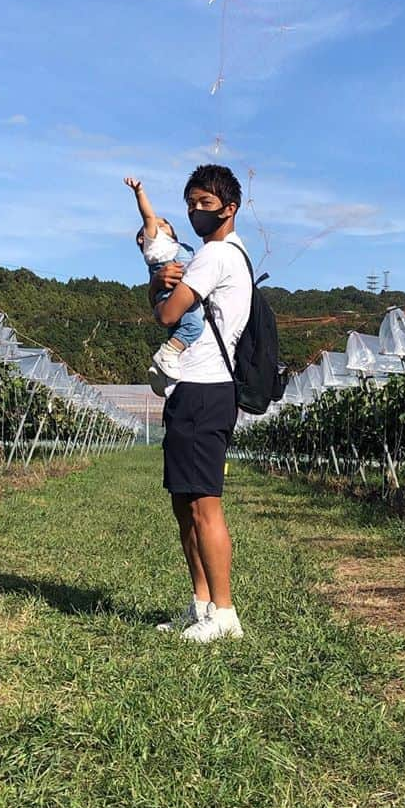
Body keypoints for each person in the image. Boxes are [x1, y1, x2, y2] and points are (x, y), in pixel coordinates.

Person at [149, 164, 251, 643]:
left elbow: (168, 312)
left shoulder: (214, 256)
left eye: (205, 204)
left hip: (205, 388)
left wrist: (159, 283)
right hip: (197, 389)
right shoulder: (230, 255)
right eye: (191, 203)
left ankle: (225, 615)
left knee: (204, 506)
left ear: (229, 209)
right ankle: (203, 606)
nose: (195, 212)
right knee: (184, 503)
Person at [123, 177, 204, 390]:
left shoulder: (177, 247)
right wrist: (139, 191)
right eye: (156, 225)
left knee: (180, 328)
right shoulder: (154, 245)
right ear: (143, 239)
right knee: (194, 325)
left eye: (165, 224)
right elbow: (148, 215)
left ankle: (164, 373)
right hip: (172, 292)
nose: (159, 226)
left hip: (176, 291)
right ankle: (166, 354)